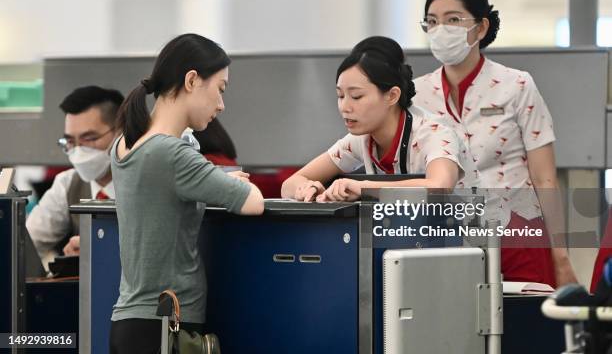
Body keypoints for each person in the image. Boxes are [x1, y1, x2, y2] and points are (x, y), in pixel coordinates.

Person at [412, 0, 577, 287]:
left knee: (524, 332)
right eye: (432, 22)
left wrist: (561, 257)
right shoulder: (417, 95)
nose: (440, 30)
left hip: (518, 236)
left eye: (453, 20)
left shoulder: (516, 86)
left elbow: (544, 179)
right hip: (447, 240)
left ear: (481, 27)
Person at [109, 33, 264, 354]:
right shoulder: (171, 152)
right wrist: (238, 184)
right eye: (219, 90)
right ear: (192, 80)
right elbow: (253, 203)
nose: (221, 105)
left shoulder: (124, 143)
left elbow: (163, 187)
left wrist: (215, 177)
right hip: (167, 327)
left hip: (132, 323)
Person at [281, 36, 478, 202]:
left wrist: (364, 188)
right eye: (340, 96)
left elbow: (440, 186)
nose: (345, 107)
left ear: (392, 96)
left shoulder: (434, 133)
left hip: (473, 240)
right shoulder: (360, 139)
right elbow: (290, 184)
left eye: (356, 96)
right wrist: (309, 188)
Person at [26, 86, 124, 269]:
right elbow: (26, 243)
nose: (79, 150)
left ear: (120, 132)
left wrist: (100, 247)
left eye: (90, 138)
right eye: (70, 141)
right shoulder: (67, 184)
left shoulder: (145, 183)